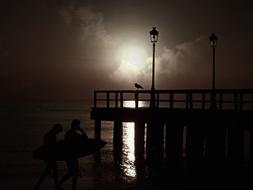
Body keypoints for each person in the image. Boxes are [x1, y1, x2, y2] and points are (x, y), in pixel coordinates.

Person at [57, 119, 88, 190]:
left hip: (70, 155)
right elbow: (86, 138)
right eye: (78, 125)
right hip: (71, 156)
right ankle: (59, 184)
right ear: (76, 126)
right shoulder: (73, 134)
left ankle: (72, 187)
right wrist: (81, 130)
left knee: (74, 172)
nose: (78, 126)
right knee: (72, 172)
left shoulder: (68, 133)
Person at [34, 124, 63, 190]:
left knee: (49, 171)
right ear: (57, 129)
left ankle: (38, 186)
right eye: (59, 131)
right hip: (49, 156)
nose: (58, 133)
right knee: (51, 171)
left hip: (48, 155)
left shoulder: (49, 134)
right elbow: (51, 146)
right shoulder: (51, 135)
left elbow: (48, 145)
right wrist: (59, 144)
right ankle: (56, 186)